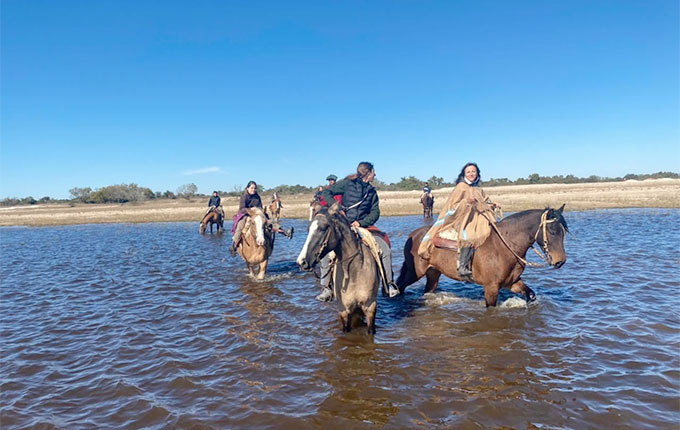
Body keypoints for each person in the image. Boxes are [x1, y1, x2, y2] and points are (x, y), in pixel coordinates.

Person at [316, 162, 399, 301]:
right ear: (369, 172)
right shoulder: (347, 183)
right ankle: (326, 288)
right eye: (374, 172)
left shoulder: (372, 192)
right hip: (344, 225)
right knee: (325, 249)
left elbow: (375, 212)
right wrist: (337, 208)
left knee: (384, 249)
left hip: (364, 227)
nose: (375, 175)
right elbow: (326, 192)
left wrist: (361, 223)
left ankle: (388, 285)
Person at [418, 162, 500, 279]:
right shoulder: (460, 188)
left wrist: (492, 204)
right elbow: (452, 206)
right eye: (468, 172)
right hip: (463, 218)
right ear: (464, 174)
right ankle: (463, 267)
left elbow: (485, 200)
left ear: (477, 173)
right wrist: (465, 202)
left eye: (473, 171)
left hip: (479, 217)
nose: (471, 174)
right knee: (469, 235)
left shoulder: (478, 188)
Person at [229, 181, 292, 256]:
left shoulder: (257, 196)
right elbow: (242, 208)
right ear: (247, 188)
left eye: (255, 188)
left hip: (257, 214)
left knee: (269, 222)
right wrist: (250, 210)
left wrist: (259, 211)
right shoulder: (244, 197)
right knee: (240, 225)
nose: (253, 189)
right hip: (247, 214)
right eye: (251, 188)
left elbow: (260, 206)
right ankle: (234, 245)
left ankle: (284, 232)